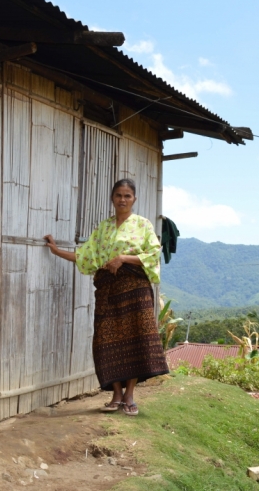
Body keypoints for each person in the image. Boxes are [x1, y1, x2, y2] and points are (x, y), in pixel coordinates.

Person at [44, 178, 168, 416]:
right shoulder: (104, 227)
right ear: (112, 198)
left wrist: (122, 258)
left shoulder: (143, 225)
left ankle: (130, 395)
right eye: (118, 195)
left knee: (135, 339)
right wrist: (57, 250)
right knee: (106, 340)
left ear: (134, 199)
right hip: (109, 291)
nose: (122, 199)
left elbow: (153, 254)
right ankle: (116, 394)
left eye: (127, 196)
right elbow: (87, 256)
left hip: (135, 289)